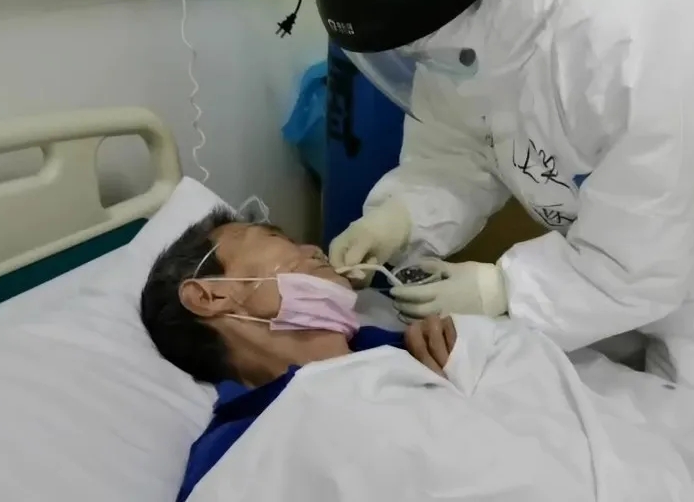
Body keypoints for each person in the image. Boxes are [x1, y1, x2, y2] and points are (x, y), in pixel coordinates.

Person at [316, 0, 694, 410]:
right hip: (593, 271)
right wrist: (401, 216)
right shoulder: (461, 27)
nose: (418, 61)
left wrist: (505, 289)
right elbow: (460, 149)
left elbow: (640, 262)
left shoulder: (664, 45)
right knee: (593, 434)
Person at [138, 208, 457, 501]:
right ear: (210, 296)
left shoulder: (421, 344)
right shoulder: (235, 451)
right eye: (275, 237)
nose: (313, 249)